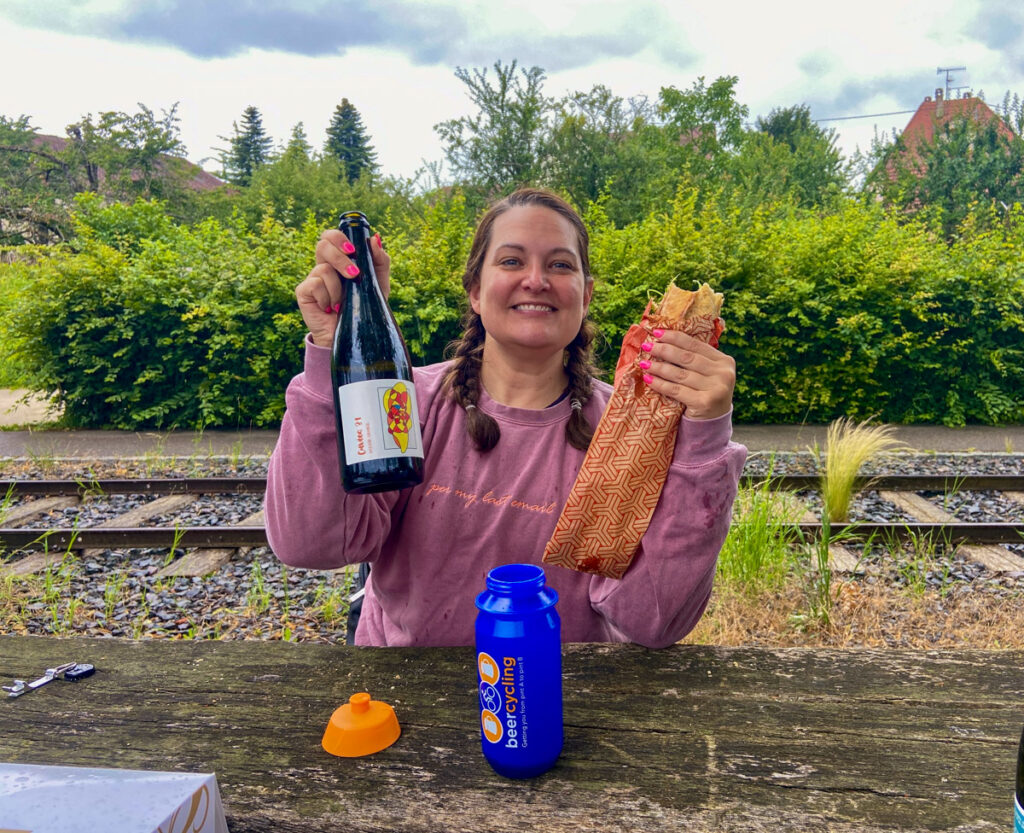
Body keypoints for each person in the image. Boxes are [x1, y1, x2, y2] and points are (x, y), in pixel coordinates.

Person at [265, 188, 746, 649]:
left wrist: (703, 436)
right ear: (475, 290)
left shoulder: (629, 427)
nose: (536, 280)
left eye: (560, 264)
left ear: (587, 294)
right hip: (408, 698)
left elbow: (651, 620)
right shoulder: (403, 401)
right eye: (512, 261)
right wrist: (334, 347)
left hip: (566, 704)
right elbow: (312, 544)